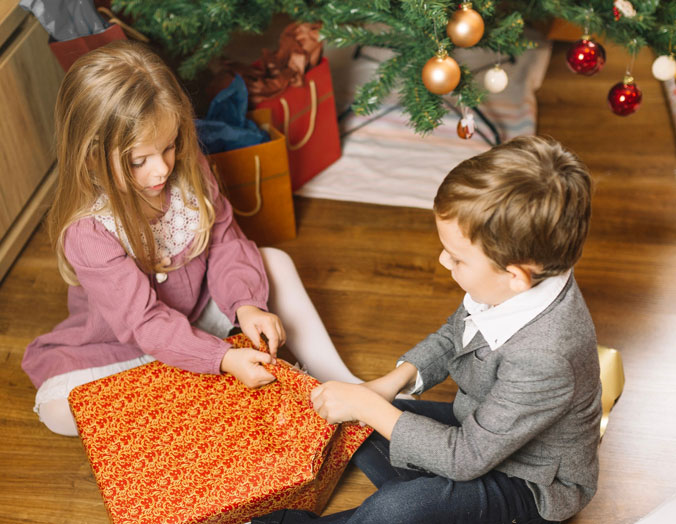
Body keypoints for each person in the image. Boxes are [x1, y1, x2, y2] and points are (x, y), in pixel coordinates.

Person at [254, 135, 602, 524]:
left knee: (397, 508)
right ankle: (434, 499)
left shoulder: (546, 355)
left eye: (456, 258)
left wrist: (369, 406)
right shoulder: (511, 284)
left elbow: (464, 457)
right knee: (354, 427)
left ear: (515, 275)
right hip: (478, 431)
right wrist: (387, 386)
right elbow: (454, 336)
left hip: (529, 482)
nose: (442, 259)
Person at [21, 40, 359, 437]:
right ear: (92, 155)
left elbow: (226, 241)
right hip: (128, 347)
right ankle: (198, 390)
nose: (161, 169)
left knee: (274, 262)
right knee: (59, 411)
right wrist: (220, 359)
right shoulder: (89, 231)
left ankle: (342, 380)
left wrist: (247, 305)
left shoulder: (185, 165)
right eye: (138, 161)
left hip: (201, 311)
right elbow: (145, 324)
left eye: (169, 146)